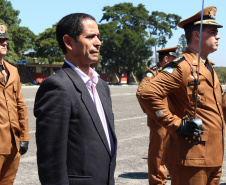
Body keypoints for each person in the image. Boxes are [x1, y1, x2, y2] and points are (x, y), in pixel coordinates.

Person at [137, 6, 224, 185]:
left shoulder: (208, 67)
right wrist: (177, 125)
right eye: (213, 32)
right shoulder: (182, 66)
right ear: (197, 36)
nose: (218, 36)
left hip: (214, 156)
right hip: (191, 156)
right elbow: (146, 93)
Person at [34, 13, 117, 185]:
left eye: (99, 37)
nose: (98, 42)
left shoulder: (101, 86)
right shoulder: (57, 87)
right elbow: (51, 160)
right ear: (69, 42)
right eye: (90, 37)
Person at [137, 46, 178, 185]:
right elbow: (141, 93)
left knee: (174, 152)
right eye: (173, 59)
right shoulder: (152, 74)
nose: (176, 61)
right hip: (159, 122)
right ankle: (157, 181)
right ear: (166, 59)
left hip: (174, 120)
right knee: (158, 154)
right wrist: (152, 112)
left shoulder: (173, 74)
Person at [0, 23, 29, 184]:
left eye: (4, 39)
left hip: (13, 143)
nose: (4, 43)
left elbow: (20, 106)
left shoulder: (13, 71)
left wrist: (24, 137)